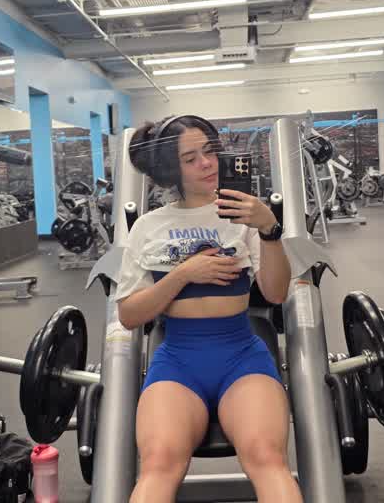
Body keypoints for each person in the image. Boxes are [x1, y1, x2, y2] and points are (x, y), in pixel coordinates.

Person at [115, 115, 303, 503]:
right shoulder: (148, 226)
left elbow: (275, 293)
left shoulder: (245, 214)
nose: (207, 163)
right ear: (171, 169)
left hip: (242, 357)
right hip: (178, 362)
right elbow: (129, 315)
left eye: (210, 151)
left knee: (267, 458)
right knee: (158, 463)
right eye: (190, 158)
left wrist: (269, 230)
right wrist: (183, 274)